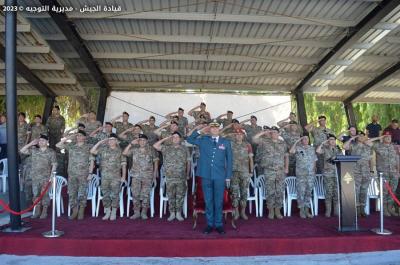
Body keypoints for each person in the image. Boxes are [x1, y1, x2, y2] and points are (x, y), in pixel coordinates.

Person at [187, 120, 232, 234]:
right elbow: (189, 139)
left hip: (220, 176)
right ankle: (209, 224)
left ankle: (218, 224)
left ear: (219, 129)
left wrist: (228, 176)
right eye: (212, 128)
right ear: (209, 129)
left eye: (216, 128)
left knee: (218, 201)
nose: (214, 129)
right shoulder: (203, 140)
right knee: (208, 201)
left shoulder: (225, 142)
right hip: (206, 175)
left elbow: (230, 160)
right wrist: (200, 130)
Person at [56, 130, 94, 220]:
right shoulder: (71, 146)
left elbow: (92, 161)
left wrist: (90, 173)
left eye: (81, 136)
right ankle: (74, 210)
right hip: (72, 174)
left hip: (83, 174)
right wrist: (68, 138)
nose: (78, 137)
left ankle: (81, 211)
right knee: (72, 193)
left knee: (82, 193)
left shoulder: (88, 147)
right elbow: (58, 145)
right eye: (77, 136)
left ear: (84, 137)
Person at [253, 126, 289, 220]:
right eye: (272, 132)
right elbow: (254, 139)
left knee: (280, 190)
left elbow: (286, 156)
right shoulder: (265, 141)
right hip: (269, 170)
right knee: (270, 190)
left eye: (275, 132)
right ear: (270, 133)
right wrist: (264, 132)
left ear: (278, 134)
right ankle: (271, 210)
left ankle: (277, 210)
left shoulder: (283, 143)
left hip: (280, 170)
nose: (274, 134)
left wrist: (286, 167)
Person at [154, 132, 190, 221]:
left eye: (177, 137)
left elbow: (188, 162)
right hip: (170, 176)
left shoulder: (184, 149)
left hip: (181, 176)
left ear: (180, 139)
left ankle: (178, 213)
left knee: (180, 195)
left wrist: (188, 173)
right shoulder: (166, 148)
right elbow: (155, 146)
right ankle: (172, 213)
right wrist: (166, 138)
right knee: (171, 195)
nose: (175, 139)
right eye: (173, 137)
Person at [90, 133, 127, 221]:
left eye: (113, 139)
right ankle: (107, 211)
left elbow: (124, 165)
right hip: (105, 176)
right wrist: (100, 142)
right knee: (105, 194)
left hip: (115, 176)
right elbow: (92, 151)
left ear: (116, 141)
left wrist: (124, 176)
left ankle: (113, 211)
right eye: (109, 139)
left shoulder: (120, 151)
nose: (111, 141)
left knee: (115, 194)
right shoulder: (103, 149)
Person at [20, 134, 57, 219]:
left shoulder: (51, 152)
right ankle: (37, 210)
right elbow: (22, 151)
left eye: (43, 140)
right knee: (36, 194)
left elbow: (54, 164)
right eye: (39, 140)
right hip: (35, 177)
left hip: (46, 177)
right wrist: (30, 144)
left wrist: (51, 176)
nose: (41, 142)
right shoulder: (34, 150)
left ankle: (44, 211)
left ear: (47, 142)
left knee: (45, 194)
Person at [123, 134, 159, 220]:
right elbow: (124, 153)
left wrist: (154, 174)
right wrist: (131, 144)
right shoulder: (134, 149)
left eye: (144, 140)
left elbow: (156, 162)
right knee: (135, 194)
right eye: (140, 140)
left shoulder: (151, 150)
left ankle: (144, 212)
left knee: (146, 194)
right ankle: (136, 212)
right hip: (136, 175)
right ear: (138, 141)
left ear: (146, 141)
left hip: (147, 175)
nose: (142, 142)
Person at [368, 131, 400, 216]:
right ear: (383, 137)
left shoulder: (394, 147)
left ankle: (390, 208)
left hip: (394, 173)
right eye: (386, 136)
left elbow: (397, 159)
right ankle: (384, 209)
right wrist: (379, 138)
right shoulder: (378, 146)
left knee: (392, 191)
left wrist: (398, 171)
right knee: (384, 191)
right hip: (383, 173)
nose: (388, 138)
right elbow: (367, 142)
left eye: (390, 136)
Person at [343, 132, 372, 217]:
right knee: (356, 190)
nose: (361, 137)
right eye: (359, 135)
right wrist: (352, 138)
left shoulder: (368, 146)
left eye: (362, 135)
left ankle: (363, 208)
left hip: (366, 172)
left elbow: (371, 160)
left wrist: (371, 171)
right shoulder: (353, 145)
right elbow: (344, 147)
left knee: (364, 190)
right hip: (356, 172)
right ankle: (357, 209)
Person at [289, 134, 317, 218]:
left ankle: (307, 210)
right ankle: (301, 210)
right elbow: (291, 151)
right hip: (301, 174)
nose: (306, 140)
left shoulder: (312, 148)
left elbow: (315, 159)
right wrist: (297, 141)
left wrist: (314, 169)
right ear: (301, 140)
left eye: (307, 139)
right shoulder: (297, 148)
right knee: (301, 191)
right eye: (304, 139)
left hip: (310, 174)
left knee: (309, 192)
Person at [229, 128, 254, 220]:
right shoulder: (230, 144)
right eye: (237, 134)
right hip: (234, 171)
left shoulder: (248, 145)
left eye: (240, 134)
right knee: (234, 192)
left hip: (244, 172)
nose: (239, 136)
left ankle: (243, 212)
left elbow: (251, 159)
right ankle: (236, 212)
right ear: (234, 136)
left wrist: (251, 171)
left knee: (244, 192)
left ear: (243, 136)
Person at [316, 134, 342, 217]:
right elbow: (318, 151)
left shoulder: (338, 149)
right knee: (328, 192)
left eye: (334, 139)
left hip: (337, 173)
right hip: (328, 174)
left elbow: (342, 159)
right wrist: (323, 143)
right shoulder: (325, 149)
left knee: (336, 192)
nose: (333, 141)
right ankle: (328, 211)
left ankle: (336, 211)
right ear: (328, 141)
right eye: (330, 139)